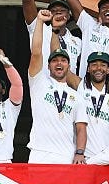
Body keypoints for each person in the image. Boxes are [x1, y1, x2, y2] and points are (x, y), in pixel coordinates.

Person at [26, 9, 80, 163]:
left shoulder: (76, 94)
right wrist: (40, 22)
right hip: (39, 154)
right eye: (55, 61)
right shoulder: (39, 82)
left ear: (69, 66)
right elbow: (36, 53)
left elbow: (81, 127)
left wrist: (80, 152)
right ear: (48, 66)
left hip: (67, 156)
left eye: (63, 61)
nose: (59, 64)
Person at [20, 0, 81, 75]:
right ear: (48, 15)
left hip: (69, 91)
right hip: (44, 89)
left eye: (62, 10)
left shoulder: (78, 42)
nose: (58, 12)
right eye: (53, 11)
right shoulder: (39, 29)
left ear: (69, 16)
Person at [71, 51, 109, 164]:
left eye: (103, 65)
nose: (98, 68)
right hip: (83, 156)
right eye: (94, 65)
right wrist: (54, 32)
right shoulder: (80, 85)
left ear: (108, 70)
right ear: (88, 69)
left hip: (107, 156)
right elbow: (62, 70)